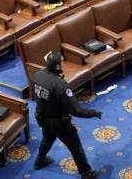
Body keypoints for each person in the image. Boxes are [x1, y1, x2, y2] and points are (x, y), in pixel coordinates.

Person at [33, 51, 102, 179]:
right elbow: (76, 110)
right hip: (60, 123)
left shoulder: (37, 75)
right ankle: (86, 173)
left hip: (42, 117)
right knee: (75, 147)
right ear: (58, 66)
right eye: (62, 62)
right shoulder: (60, 85)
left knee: (47, 139)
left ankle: (39, 161)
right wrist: (93, 113)